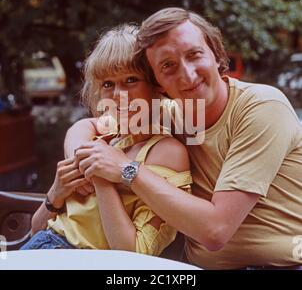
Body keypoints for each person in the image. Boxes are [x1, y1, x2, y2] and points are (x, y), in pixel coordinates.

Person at [64, 8, 302, 270]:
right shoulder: (168, 113)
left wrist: (125, 169)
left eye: (194, 54)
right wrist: (83, 163)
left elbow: (216, 231)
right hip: (191, 267)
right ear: (159, 84)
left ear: (217, 54)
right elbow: (85, 126)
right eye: (168, 66)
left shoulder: (262, 107)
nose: (188, 75)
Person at [20, 24, 193, 256]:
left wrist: (101, 176)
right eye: (108, 84)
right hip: (44, 247)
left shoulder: (165, 151)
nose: (119, 95)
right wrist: (56, 194)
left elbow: (133, 255)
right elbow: (36, 231)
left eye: (131, 80)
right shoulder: (109, 135)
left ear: (155, 85)